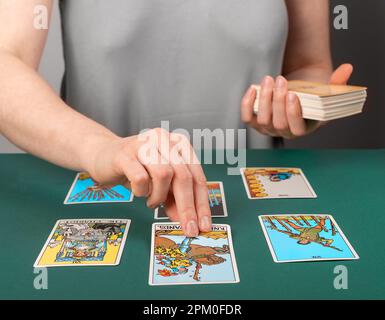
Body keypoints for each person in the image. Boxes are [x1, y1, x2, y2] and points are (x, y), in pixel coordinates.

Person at [0, 0, 353, 236]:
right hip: (106, 202)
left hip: (253, 207)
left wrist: (299, 104)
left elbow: (310, 64)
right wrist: (103, 149)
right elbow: (5, 65)